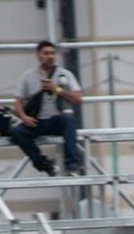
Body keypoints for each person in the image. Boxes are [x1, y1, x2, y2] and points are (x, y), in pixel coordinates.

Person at [10, 40, 84, 177]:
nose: (50, 56)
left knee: (69, 121)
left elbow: (78, 99)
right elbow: (18, 101)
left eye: (52, 53)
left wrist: (57, 89)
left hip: (57, 119)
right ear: (38, 55)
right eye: (46, 53)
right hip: (37, 121)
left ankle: (72, 167)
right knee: (17, 132)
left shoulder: (64, 74)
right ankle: (44, 164)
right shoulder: (28, 76)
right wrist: (24, 117)